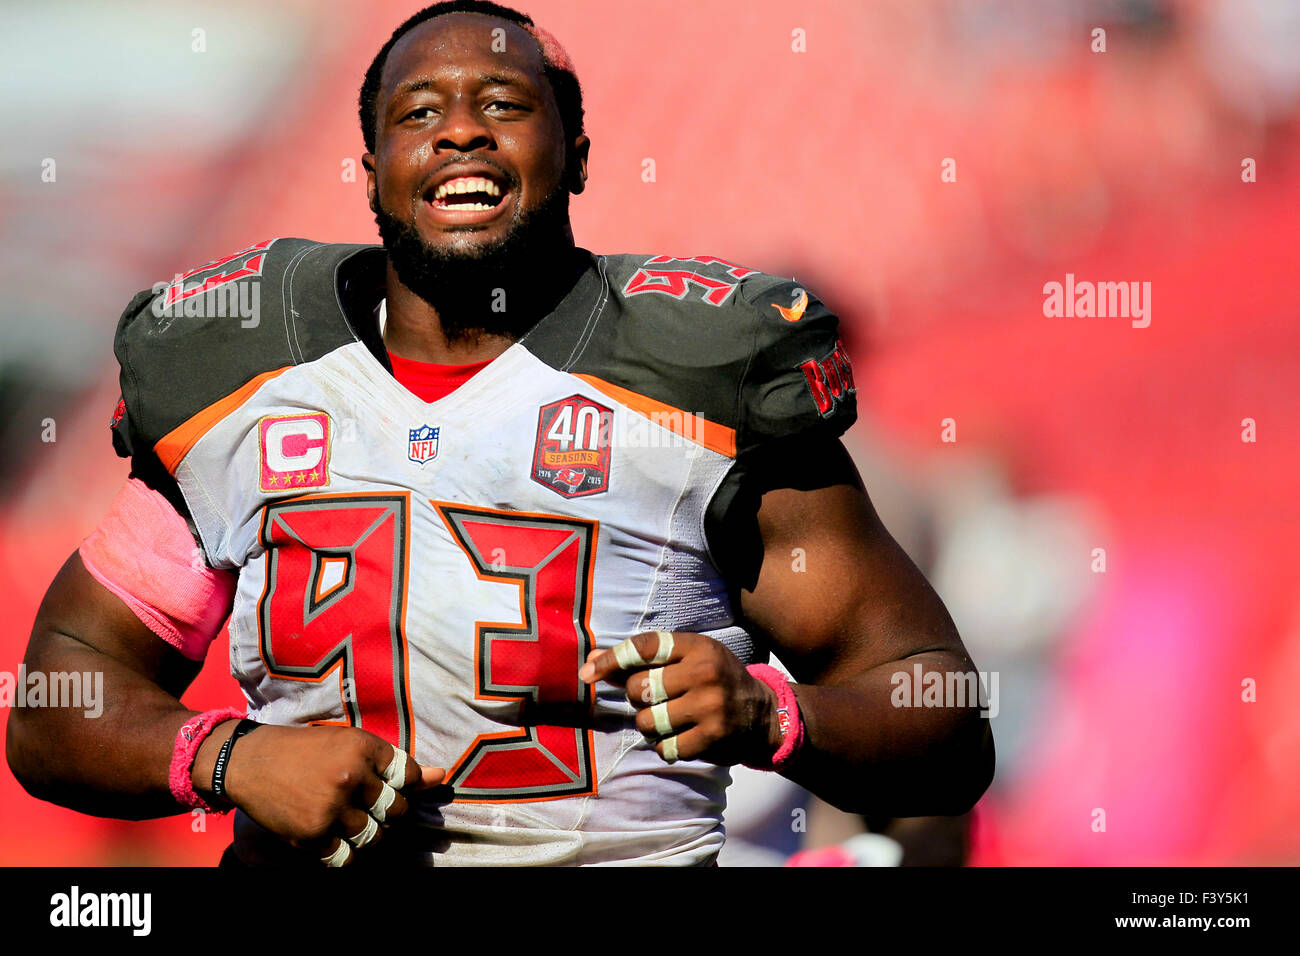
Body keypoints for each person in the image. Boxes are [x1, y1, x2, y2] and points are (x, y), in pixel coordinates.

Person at [6, 0, 993, 866]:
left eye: (504, 105)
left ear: (577, 156)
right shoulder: (241, 388)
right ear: (370, 168)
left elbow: (938, 712)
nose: (459, 134)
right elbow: (61, 696)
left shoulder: (695, 388)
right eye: (419, 112)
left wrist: (771, 713)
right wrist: (229, 757)